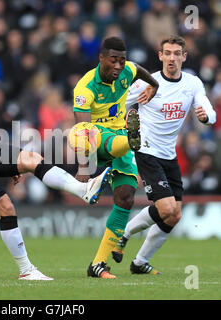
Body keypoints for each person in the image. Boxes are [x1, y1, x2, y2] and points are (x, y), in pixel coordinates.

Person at [0, 39, 112, 281]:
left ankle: (83, 188)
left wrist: (7, 164)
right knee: (6, 207)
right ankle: (26, 270)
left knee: (31, 158)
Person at [114, 35, 216, 274]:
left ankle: (139, 263)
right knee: (167, 209)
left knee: (174, 215)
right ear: (160, 56)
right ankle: (125, 233)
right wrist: (121, 124)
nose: (171, 58)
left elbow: (209, 110)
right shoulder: (146, 84)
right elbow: (117, 105)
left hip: (169, 154)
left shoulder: (192, 83)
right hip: (147, 151)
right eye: (167, 53)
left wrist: (206, 117)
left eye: (176, 54)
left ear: (184, 57)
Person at [72, 36, 159, 279]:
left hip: (120, 131)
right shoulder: (85, 87)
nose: (119, 66)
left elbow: (139, 70)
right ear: (101, 59)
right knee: (92, 137)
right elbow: (84, 130)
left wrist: (154, 86)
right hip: (95, 138)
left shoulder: (127, 71)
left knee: (126, 197)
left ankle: (98, 264)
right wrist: (83, 167)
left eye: (122, 61)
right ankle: (129, 140)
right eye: (114, 61)